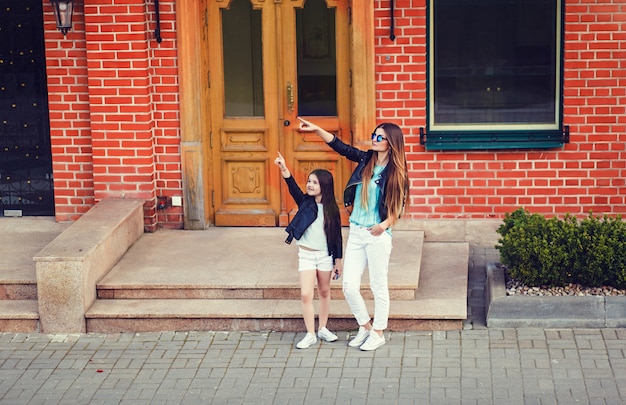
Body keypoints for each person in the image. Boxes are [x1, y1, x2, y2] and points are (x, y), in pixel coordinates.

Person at [297, 117, 409, 351]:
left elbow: (399, 206)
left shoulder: (396, 172)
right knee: (348, 286)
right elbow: (341, 147)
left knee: (379, 285)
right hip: (357, 231)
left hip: (378, 234)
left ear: (391, 143)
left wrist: (383, 225)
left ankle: (378, 332)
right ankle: (365, 327)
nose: (374, 140)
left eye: (380, 137)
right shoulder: (367, 160)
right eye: (374, 136)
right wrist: (318, 130)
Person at [274, 152, 344, 349]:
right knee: (306, 294)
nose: (310, 185)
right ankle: (310, 333)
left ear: (325, 186)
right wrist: (284, 169)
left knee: (324, 291)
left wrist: (338, 260)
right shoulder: (305, 202)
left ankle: (322, 328)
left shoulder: (332, 209)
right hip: (306, 255)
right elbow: (293, 188)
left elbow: (337, 236)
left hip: (324, 256)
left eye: (314, 182)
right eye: (309, 181)